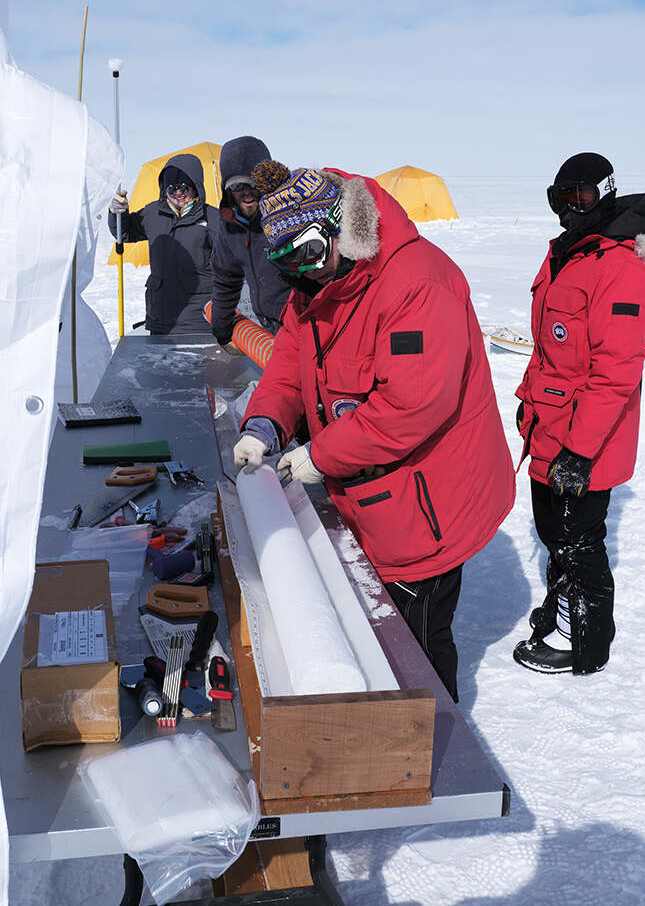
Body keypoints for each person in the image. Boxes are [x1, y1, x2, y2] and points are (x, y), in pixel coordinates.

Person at [232, 160, 515, 702]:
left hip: (428, 504)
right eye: (288, 262)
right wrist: (265, 422)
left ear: (344, 226)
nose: (305, 272)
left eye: (311, 254)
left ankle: (438, 757)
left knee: (417, 653)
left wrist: (321, 455)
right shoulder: (318, 282)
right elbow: (290, 361)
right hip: (371, 487)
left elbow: (412, 406)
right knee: (378, 637)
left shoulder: (417, 283)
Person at [513, 153, 645, 675]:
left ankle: (582, 642)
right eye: (559, 198)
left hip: (585, 439)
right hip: (550, 425)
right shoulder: (570, 252)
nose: (568, 208)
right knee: (555, 531)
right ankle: (563, 606)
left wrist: (579, 451)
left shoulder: (620, 266)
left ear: (604, 193)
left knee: (577, 539)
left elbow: (613, 376)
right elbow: (558, 341)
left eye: (580, 197)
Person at [108, 153, 218, 334]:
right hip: (161, 315)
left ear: (196, 187)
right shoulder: (153, 213)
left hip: (199, 319)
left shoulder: (213, 218)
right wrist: (117, 214)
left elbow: (231, 264)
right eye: (171, 188)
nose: (178, 193)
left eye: (184, 187)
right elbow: (125, 232)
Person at [210, 136, 292, 354]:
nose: (246, 191)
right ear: (227, 190)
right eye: (237, 185)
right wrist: (222, 332)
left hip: (303, 328)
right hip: (269, 330)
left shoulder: (289, 215)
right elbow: (226, 280)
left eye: (253, 183)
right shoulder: (229, 225)